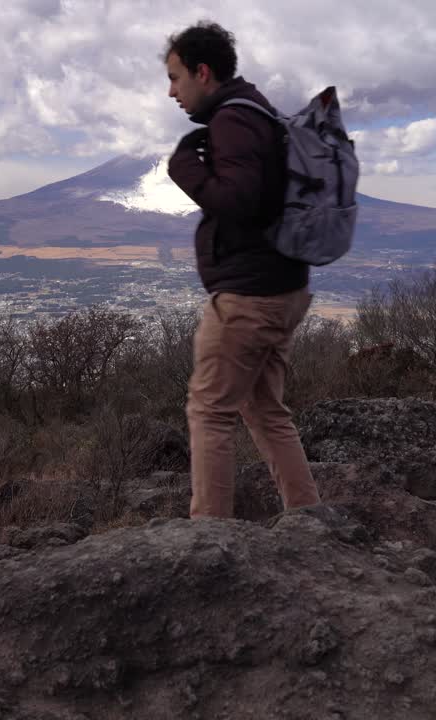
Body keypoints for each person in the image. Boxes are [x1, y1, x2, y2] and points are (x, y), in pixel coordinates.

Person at [164, 21, 320, 519]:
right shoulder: (259, 112)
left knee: (209, 411)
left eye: (175, 78)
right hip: (283, 288)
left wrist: (185, 169)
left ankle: (208, 538)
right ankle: (309, 521)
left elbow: (238, 201)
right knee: (265, 411)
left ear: (202, 72)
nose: (172, 92)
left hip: (248, 299)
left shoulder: (234, 120)